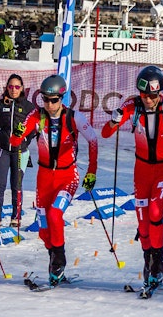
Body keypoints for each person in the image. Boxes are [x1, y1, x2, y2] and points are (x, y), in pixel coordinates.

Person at [101, 65, 163, 296]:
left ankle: (158, 264)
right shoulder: (132, 106)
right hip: (142, 170)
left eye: (152, 96)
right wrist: (114, 121)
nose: (147, 100)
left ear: (160, 93)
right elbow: (106, 134)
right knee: (143, 224)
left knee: (156, 212)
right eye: (144, 95)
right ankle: (148, 261)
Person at [10, 75, 100, 286]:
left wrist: (92, 172)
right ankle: (54, 264)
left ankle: (59, 260)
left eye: (53, 100)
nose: (49, 104)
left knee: (55, 213)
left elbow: (94, 140)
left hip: (67, 176)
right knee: (43, 230)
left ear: (62, 98)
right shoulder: (37, 115)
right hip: (44, 178)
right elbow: (15, 141)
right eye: (45, 99)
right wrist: (18, 132)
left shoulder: (74, 118)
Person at [0, 74, 35, 224]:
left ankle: (16, 217)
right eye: (10, 87)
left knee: (17, 185)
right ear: (6, 88)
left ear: (22, 88)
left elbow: (33, 130)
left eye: (17, 87)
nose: (13, 90)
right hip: (3, 150)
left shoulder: (28, 106)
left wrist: (25, 143)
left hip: (19, 151)